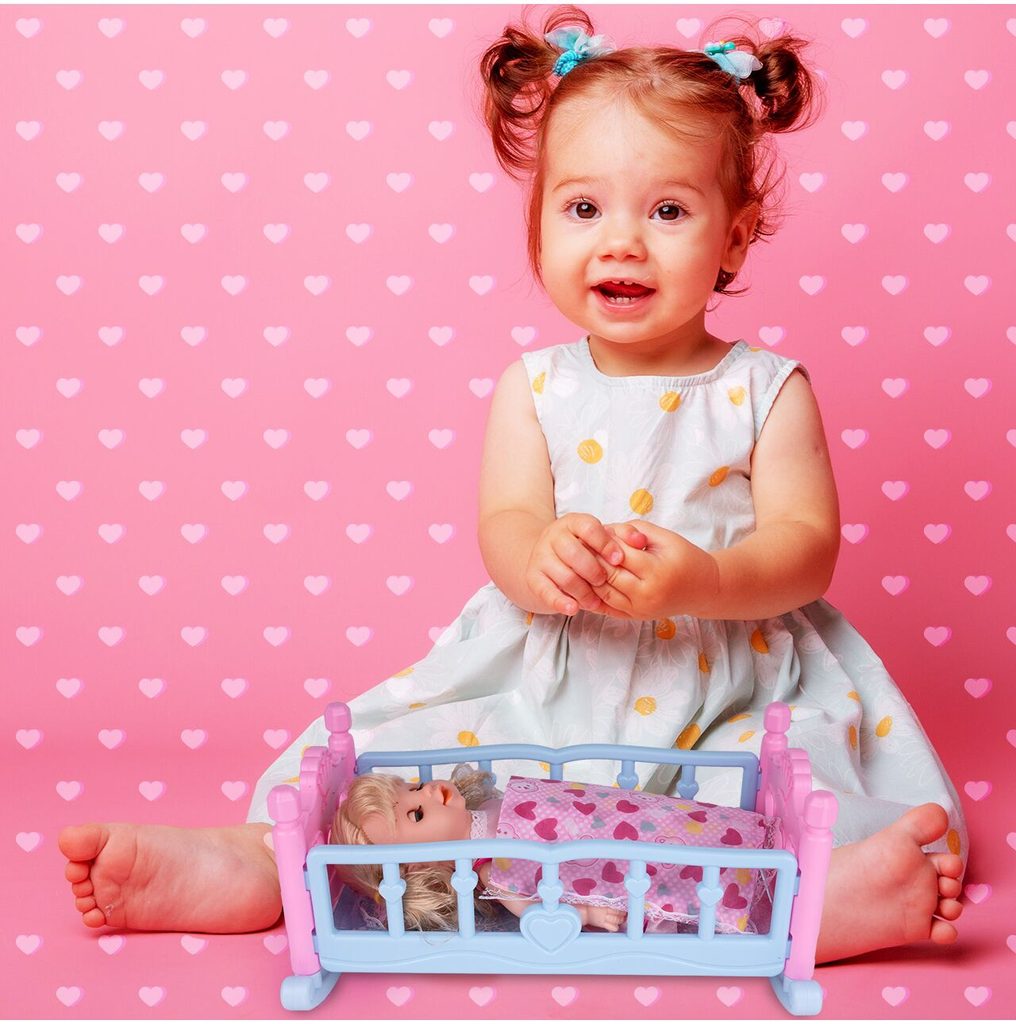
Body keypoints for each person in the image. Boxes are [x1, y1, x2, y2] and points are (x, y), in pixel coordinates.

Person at [59, 5, 966, 964]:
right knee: (394, 768)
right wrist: (539, 556)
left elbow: (805, 549)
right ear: (538, 228)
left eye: (667, 211)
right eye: (583, 210)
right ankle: (251, 864)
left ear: (735, 238)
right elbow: (506, 521)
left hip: (730, 681)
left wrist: (705, 579)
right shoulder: (534, 387)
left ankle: (821, 899)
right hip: (555, 672)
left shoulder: (764, 389)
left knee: (773, 784)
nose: (622, 243)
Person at [333, 764, 779, 935]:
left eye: (413, 787)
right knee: (664, 860)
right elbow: (534, 910)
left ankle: (737, 838)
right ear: (419, 868)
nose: (430, 791)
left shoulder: (487, 809)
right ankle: (738, 879)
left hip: (615, 820)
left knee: (668, 822)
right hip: (613, 864)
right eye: (416, 813)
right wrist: (584, 913)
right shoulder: (489, 868)